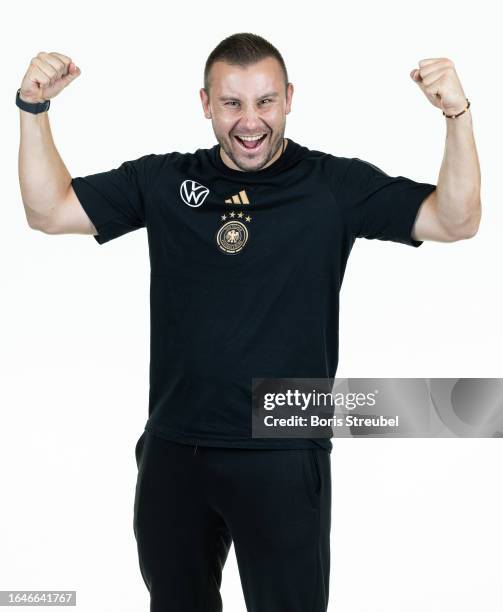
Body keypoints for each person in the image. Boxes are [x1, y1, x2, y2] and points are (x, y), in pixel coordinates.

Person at [17, 32, 481, 612]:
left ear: (288, 98)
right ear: (206, 104)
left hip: (282, 453)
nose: (250, 120)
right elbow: (48, 209)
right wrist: (33, 108)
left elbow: (455, 220)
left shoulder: (332, 188)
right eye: (232, 103)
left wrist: (457, 116)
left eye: (265, 101)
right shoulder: (164, 181)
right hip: (173, 451)